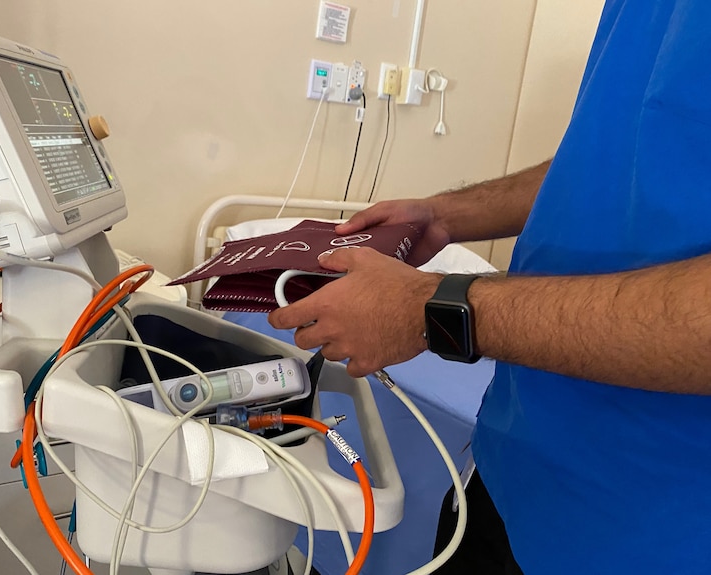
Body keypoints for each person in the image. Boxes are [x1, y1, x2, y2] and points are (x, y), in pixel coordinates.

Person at [267, 1, 711, 573]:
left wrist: (430, 307)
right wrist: (446, 216)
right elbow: (611, 159)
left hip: (656, 531)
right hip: (518, 473)